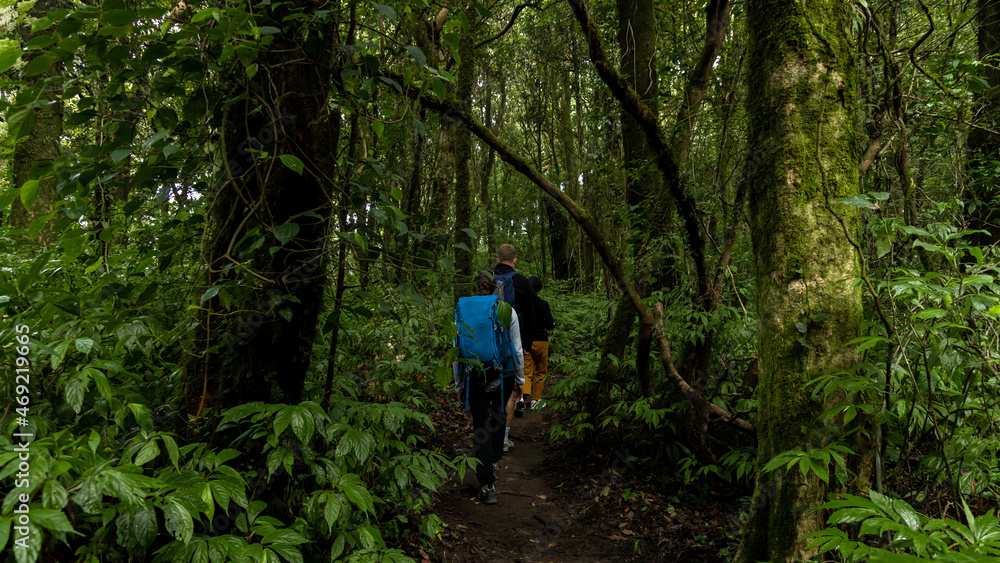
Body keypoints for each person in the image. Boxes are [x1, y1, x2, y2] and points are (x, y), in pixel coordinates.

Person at [454, 272, 524, 504]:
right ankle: (493, 460)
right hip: (503, 372)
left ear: (474, 290)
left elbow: (457, 349)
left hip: (474, 373)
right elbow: (516, 346)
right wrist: (520, 380)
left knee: (480, 424)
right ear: (495, 289)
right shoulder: (506, 310)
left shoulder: (463, 311)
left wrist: (459, 384)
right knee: (498, 414)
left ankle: (486, 485)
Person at [492, 244, 535, 451]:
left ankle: (486, 438)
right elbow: (531, 312)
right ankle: (503, 439)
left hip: (485, 344)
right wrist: (526, 343)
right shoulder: (521, 282)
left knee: (487, 391)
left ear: (498, 259)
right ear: (514, 260)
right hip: (509, 343)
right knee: (509, 393)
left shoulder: (485, 280)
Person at [526, 276, 555, 409]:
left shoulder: (522, 304)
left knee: (525, 371)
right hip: (541, 341)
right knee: (541, 371)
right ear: (539, 289)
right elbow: (550, 324)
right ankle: (536, 400)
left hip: (525, 340)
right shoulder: (543, 304)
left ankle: (522, 396)